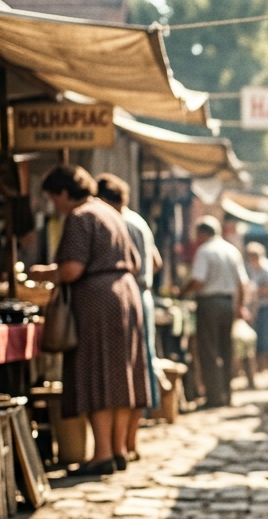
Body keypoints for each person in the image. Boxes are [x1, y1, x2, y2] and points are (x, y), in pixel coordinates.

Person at [33, 165, 150, 476]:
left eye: (53, 197)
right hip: (125, 295)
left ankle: (101, 454)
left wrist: (42, 272)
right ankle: (119, 448)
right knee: (121, 373)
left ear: (62, 192)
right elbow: (136, 262)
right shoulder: (110, 212)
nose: (54, 205)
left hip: (98, 301)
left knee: (96, 373)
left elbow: (72, 270)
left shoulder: (81, 216)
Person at [94, 174, 162, 463]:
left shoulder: (121, 222)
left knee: (130, 368)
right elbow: (156, 262)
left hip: (129, 296)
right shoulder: (138, 221)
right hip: (140, 294)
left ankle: (127, 443)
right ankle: (128, 444)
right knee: (138, 363)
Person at [185, 216, 248, 408]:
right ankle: (226, 394)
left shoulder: (205, 251)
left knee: (209, 350)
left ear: (203, 234)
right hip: (227, 303)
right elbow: (242, 283)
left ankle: (213, 396)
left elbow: (198, 281)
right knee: (225, 349)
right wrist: (238, 307)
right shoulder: (232, 250)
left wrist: (183, 291)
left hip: (209, 303)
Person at [244, 242, 268, 387]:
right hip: (254, 309)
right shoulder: (249, 268)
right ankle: (253, 378)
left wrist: (254, 291)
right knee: (254, 343)